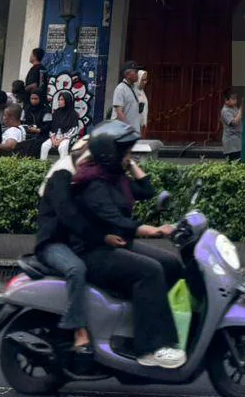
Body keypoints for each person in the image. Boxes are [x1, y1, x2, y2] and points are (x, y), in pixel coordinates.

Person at [72, 121, 183, 369]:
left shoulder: (114, 177)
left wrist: (131, 163)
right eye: (125, 150)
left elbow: (146, 190)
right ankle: (150, 348)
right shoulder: (93, 182)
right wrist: (155, 231)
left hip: (115, 245)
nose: (129, 154)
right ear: (109, 153)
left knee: (170, 264)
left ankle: (143, 320)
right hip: (93, 252)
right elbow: (117, 221)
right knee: (151, 271)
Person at [34, 138, 96, 359]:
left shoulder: (83, 176)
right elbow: (67, 215)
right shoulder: (62, 175)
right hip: (53, 243)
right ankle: (78, 329)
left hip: (74, 243)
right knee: (76, 269)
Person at [42, 90, 83, 160]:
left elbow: (74, 130)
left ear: (67, 101)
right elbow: (51, 127)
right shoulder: (56, 113)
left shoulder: (73, 114)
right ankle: (43, 165)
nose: (59, 101)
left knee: (62, 147)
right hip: (55, 137)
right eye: (59, 99)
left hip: (66, 138)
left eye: (62, 100)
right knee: (44, 145)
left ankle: (62, 165)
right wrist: (53, 138)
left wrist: (60, 140)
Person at [112, 62, 142, 134]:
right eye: (135, 72)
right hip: (123, 132)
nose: (137, 74)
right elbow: (119, 112)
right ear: (127, 74)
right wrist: (129, 129)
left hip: (133, 131)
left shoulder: (134, 88)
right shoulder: (120, 89)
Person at [220, 91, 243, 162]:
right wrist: (241, 110)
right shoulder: (225, 111)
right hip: (231, 142)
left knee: (239, 162)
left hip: (238, 140)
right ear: (226, 100)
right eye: (233, 99)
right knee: (233, 163)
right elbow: (234, 122)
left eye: (235, 98)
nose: (235, 100)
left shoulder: (234, 108)